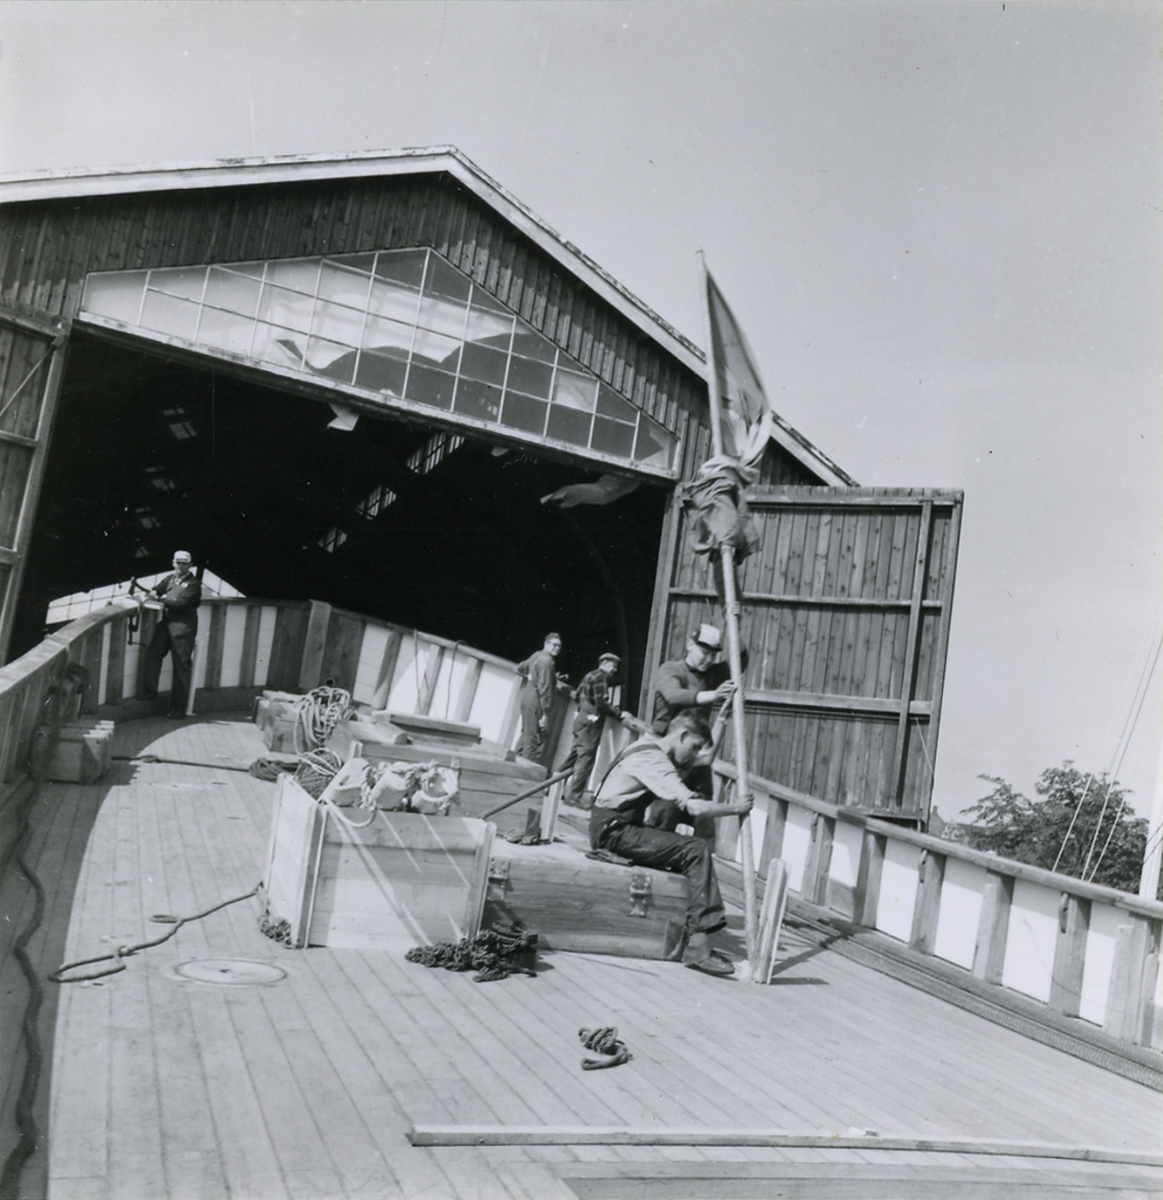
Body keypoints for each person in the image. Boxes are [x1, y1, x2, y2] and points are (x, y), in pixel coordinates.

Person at [589, 709, 753, 976]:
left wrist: (721, 721)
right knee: (695, 849)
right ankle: (698, 946)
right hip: (615, 831)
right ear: (682, 735)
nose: (694, 755)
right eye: (694, 746)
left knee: (679, 844)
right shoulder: (654, 760)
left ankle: (688, 930)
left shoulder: (650, 745)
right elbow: (696, 807)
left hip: (614, 825)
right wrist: (736, 808)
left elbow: (706, 759)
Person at [558, 652, 632, 809]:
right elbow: (602, 703)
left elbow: (578, 696)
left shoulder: (589, 675)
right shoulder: (601, 678)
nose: (615, 670)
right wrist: (619, 714)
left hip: (581, 720)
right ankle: (573, 797)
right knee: (585, 761)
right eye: (613, 666)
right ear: (604, 663)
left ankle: (553, 787)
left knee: (573, 756)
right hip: (591, 725)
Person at [142, 551, 202, 718]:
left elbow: (181, 604)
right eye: (178, 562)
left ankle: (178, 708)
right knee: (153, 654)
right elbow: (158, 588)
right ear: (173, 563)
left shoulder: (194, 584)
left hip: (183, 628)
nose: (181, 566)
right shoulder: (170, 578)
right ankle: (150, 693)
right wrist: (154, 592)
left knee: (181, 667)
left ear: (190, 565)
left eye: (184, 563)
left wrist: (159, 598)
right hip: (166, 625)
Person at [516, 632, 562, 764]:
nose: (557, 648)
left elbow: (520, 668)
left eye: (559, 646)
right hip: (537, 703)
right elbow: (545, 689)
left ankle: (512, 764)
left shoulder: (537, 655)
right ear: (546, 643)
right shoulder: (546, 662)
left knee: (526, 734)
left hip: (527, 697)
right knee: (534, 740)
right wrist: (546, 714)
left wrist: (533, 676)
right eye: (554, 645)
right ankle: (524, 771)